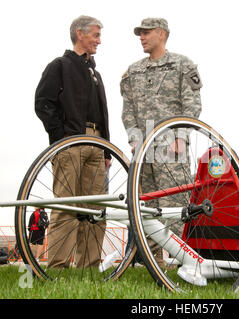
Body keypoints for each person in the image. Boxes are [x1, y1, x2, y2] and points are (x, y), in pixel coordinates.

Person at [120, 17, 202, 267]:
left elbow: (192, 105)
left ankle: (184, 259)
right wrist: (135, 139)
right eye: (140, 34)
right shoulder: (133, 71)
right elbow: (128, 110)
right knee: (148, 205)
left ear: (162, 34)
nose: (142, 38)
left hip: (170, 146)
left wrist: (181, 136)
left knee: (176, 205)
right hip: (143, 149)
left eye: (146, 33)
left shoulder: (182, 64)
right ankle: (152, 259)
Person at [35, 15, 110, 268]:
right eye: (96, 35)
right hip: (70, 142)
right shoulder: (59, 66)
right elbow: (43, 103)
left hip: (97, 145)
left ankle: (88, 266)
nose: (99, 41)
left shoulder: (95, 73)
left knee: (96, 208)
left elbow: (102, 112)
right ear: (80, 33)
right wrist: (61, 138)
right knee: (66, 206)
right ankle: (57, 265)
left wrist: (107, 150)